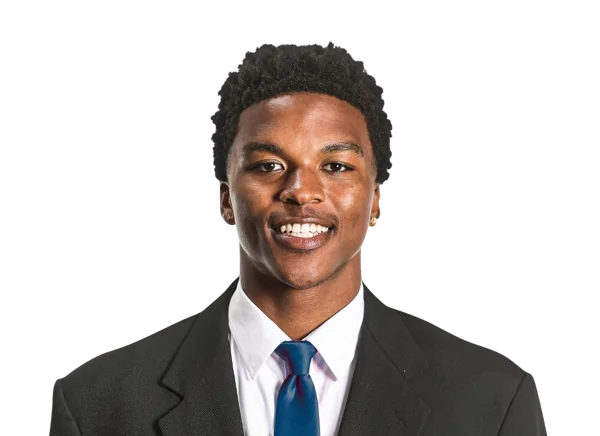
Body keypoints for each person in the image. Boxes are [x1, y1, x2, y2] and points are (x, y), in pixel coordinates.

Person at [49, 44, 541, 435]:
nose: (302, 191)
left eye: (336, 166)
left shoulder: (493, 400)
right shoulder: (92, 406)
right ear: (226, 200)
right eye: (268, 165)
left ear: (375, 201)